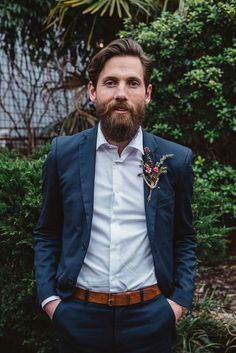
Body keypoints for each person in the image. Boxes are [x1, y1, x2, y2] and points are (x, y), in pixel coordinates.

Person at [33, 38, 196, 353]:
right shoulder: (62, 154)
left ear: (147, 94)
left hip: (151, 318)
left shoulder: (174, 160)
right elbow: (47, 231)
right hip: (78, 317)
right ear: (93, 91)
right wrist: (50, 301)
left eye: (133, 83)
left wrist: (177, 304)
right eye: (111, 82)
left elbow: (184, 236)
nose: (121, 93)